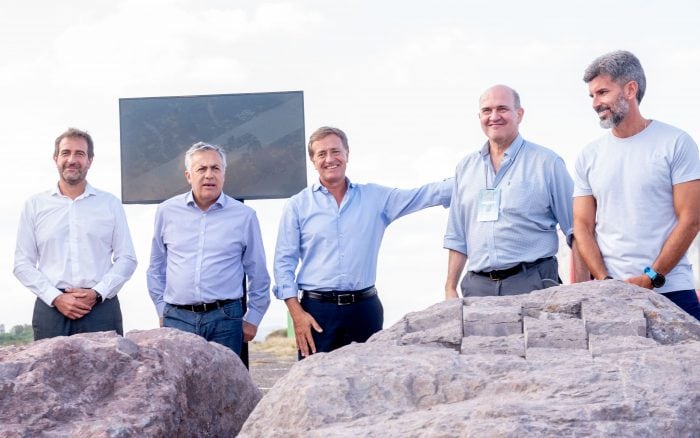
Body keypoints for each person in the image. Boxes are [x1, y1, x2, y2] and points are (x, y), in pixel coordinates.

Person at [274, 126, 452, 358]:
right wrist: (297, 315)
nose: (330, 159)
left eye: (336, 151)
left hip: (364, 310)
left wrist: (473, 178)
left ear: (347, 153)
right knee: (316, 389)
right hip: (316, 313)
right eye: (322, 154)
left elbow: (423, 195)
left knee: (368, 386)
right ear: (313, 160)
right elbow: (283, 264)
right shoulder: (297, 206)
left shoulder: (375, 198)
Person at [573, 50, 700, 320]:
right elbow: (582, 226)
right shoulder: (589, 155)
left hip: (671, 288)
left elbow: (691, 219)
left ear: (630, 89)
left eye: (603, 92)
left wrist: (651, 277)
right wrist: (605, 280)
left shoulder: (676, 142)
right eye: (592, 96)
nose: (595, 103)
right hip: (611, 293)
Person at [444, 85, 579, 299]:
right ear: (479, 116)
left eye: (502, 109)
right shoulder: (465, 168)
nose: (494, 116)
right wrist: (450, 288)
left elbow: (576, 229)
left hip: (533, 284)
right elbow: (457, 235)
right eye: (487, 110)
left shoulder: (547, 163)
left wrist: (580, 290)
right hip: (477, 289)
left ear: (520, 114)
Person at [147, 142, 270, 357]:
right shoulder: (166, 212)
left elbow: (258, 272)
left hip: (226, 320)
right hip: (177, 318)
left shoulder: (244, 216)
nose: (209, 175)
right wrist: (162, 310)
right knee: (181, 388)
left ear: (224, 174)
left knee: (225, 389)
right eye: (201, 169)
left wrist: (254, 317)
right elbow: (156, 267)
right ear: (188, 176)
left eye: (215, 168)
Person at [14, 127, 137, 340]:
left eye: (80, 154)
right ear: (55, 158)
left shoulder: (109, 204)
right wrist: (56, 298)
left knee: (108, 373)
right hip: (51, 310)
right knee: (49, 374)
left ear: (90, 160)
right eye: (66, 153)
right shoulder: (34, 205)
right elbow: (22, 264)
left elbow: (127, 258)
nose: (72, 159)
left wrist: (97, 294)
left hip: (101, 309)